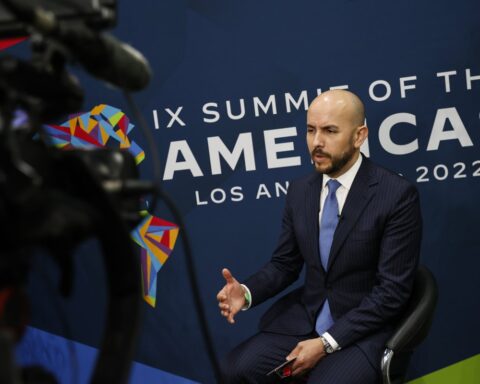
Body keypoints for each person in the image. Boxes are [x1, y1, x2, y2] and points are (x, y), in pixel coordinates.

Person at [216, 89, 422, 383]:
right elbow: (284, 264)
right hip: (305, 319)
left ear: (359, 135)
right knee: (233, 369)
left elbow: (391, 293)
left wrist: (326, 342)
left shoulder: (396, 196)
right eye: (311, 130)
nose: (317, 142)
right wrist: (246, 293)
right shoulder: (301, 190)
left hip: (362, 331)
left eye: (330, 131)